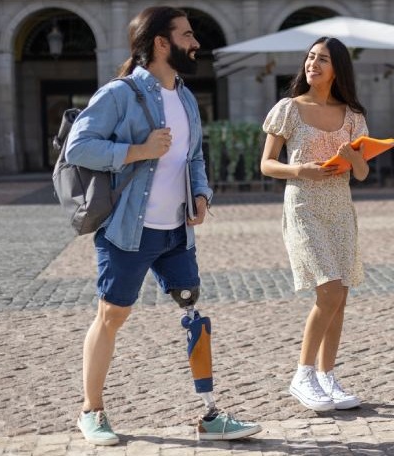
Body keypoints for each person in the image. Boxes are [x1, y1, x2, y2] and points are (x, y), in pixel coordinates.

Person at [65, 6, 261, 445]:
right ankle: (91, 410)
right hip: (129, 230)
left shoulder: (186, 96)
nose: (195, 43)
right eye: (187, 35)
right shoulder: (120, 93)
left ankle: (211, 414)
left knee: (194, 312)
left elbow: (192, 157)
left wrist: (201, 194)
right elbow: (79, 147)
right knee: (111, 316)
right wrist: (137, 150)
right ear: (161, 42)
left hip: (177, 230)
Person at [260, 36, 369, 412]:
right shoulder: (288, 108)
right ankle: (303, 375)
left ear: (337, 68)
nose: (313, 64)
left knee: (341, 297)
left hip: (340, 207)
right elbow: (267, 164)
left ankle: (327, 376)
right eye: (310, 57)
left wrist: (350, 158)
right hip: (303, 205)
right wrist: (299, 169)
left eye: (322, 59)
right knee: (328, 290)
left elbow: (364, 172)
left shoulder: (353, 115)